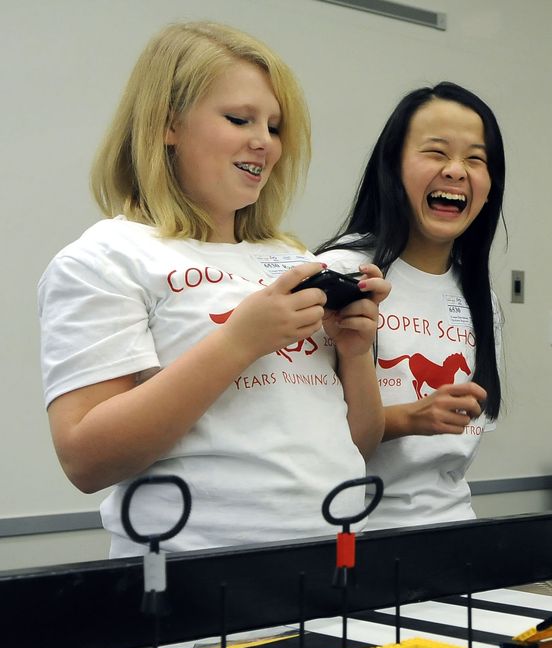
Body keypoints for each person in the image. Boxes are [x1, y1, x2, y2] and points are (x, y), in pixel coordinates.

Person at [38, 22, 389, 556]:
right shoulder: (106, 258)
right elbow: (86, 460)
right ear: (166, 125)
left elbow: (357, 445)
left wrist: (355, 351)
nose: (264, 144)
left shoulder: (295, 261)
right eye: (239, 119)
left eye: (274, 127)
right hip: (190, 583)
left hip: (332, 565)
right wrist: (237, 343)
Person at [316, 82, 504, 528]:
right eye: (436, 152)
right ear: (392, 166)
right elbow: (305, 433)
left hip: (453, 532)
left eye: (475, 159)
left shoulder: (479, 296)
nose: (457, 171)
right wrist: (408, 418)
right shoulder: (341, 272)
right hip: (353, 534)